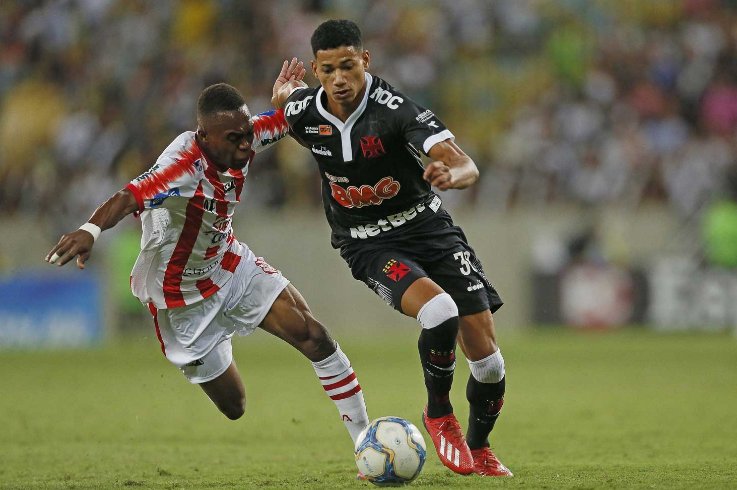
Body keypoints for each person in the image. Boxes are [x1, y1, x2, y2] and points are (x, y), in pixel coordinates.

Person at [44, 62, 370, 456]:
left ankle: (365, 443)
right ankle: (212, 347)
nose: (246, 146)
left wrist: (298, 95)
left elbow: (292, 118)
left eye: (247, 135)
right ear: (204, 137)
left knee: (313, 336)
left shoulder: (245, 136)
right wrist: (90, 230)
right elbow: (128, 196)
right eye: (234, 139)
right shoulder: (181, 166)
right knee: (235, 406)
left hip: (230, 265)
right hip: (180, 298)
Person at [272, 19, 512, 477]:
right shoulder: (302, 112)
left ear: (365, 60)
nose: (339, 79)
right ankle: (439, 414)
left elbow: (464, 163)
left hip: (428, 229)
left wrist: (452, 175)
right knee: (438, 310)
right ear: (316, 71)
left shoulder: (396, 111)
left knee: (489, 364)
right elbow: (287, 105)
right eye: (328, 70)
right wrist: (282, 97)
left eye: (348, 66)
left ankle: (480, 448)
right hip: (367, 243)